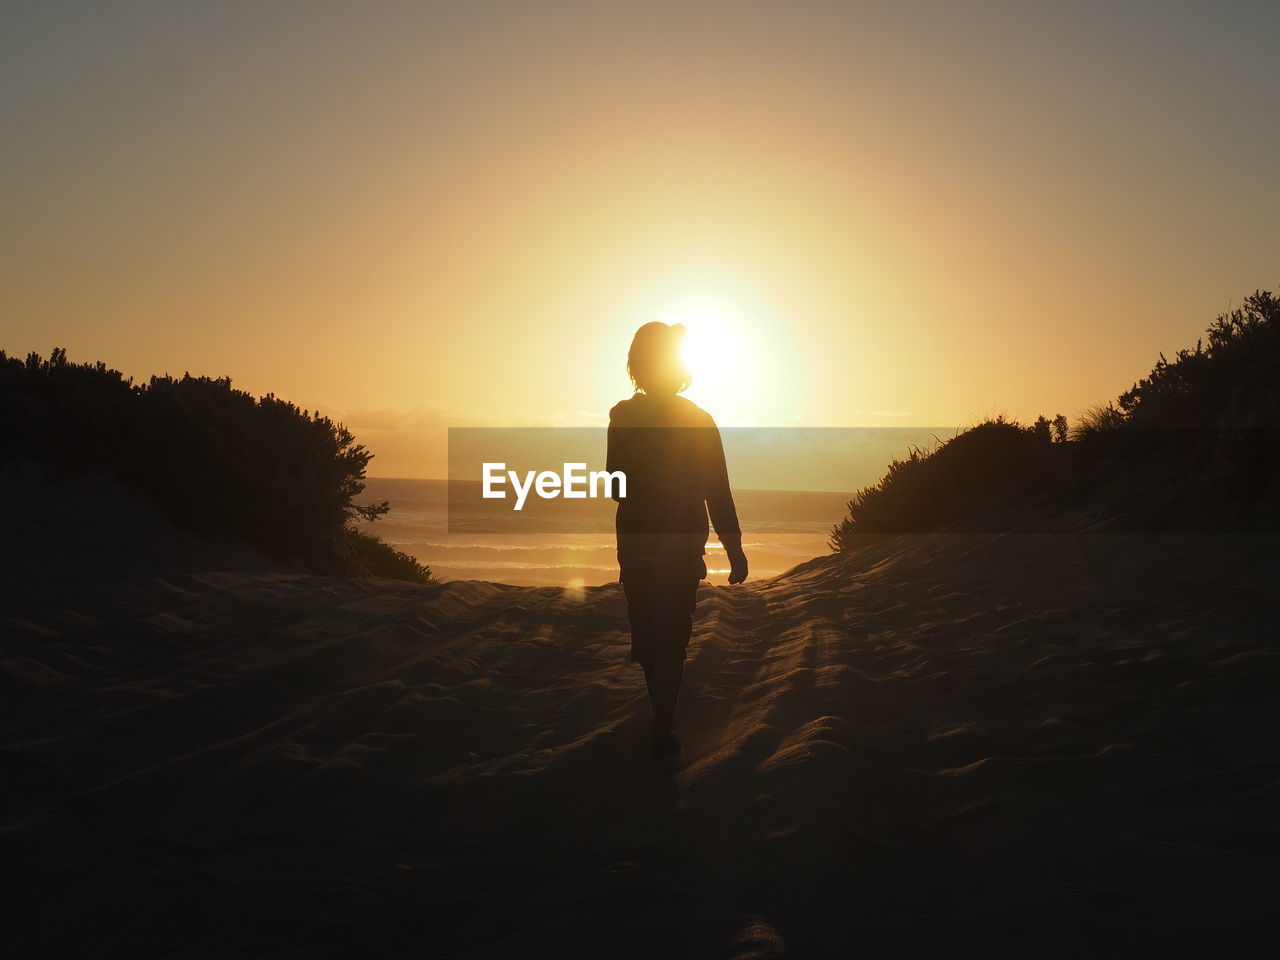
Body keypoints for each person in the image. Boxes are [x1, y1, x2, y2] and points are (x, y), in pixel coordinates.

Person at [606, 321, 748, 762]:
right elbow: (717, 489)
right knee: (671, 634)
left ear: (638, 366)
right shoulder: (698, 420)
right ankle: (663, 719)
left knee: (651, 633)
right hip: (680, 540)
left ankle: (661, 718)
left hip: (639, 540)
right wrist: (733, 545)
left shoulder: (623, 416)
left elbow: (615, 485)